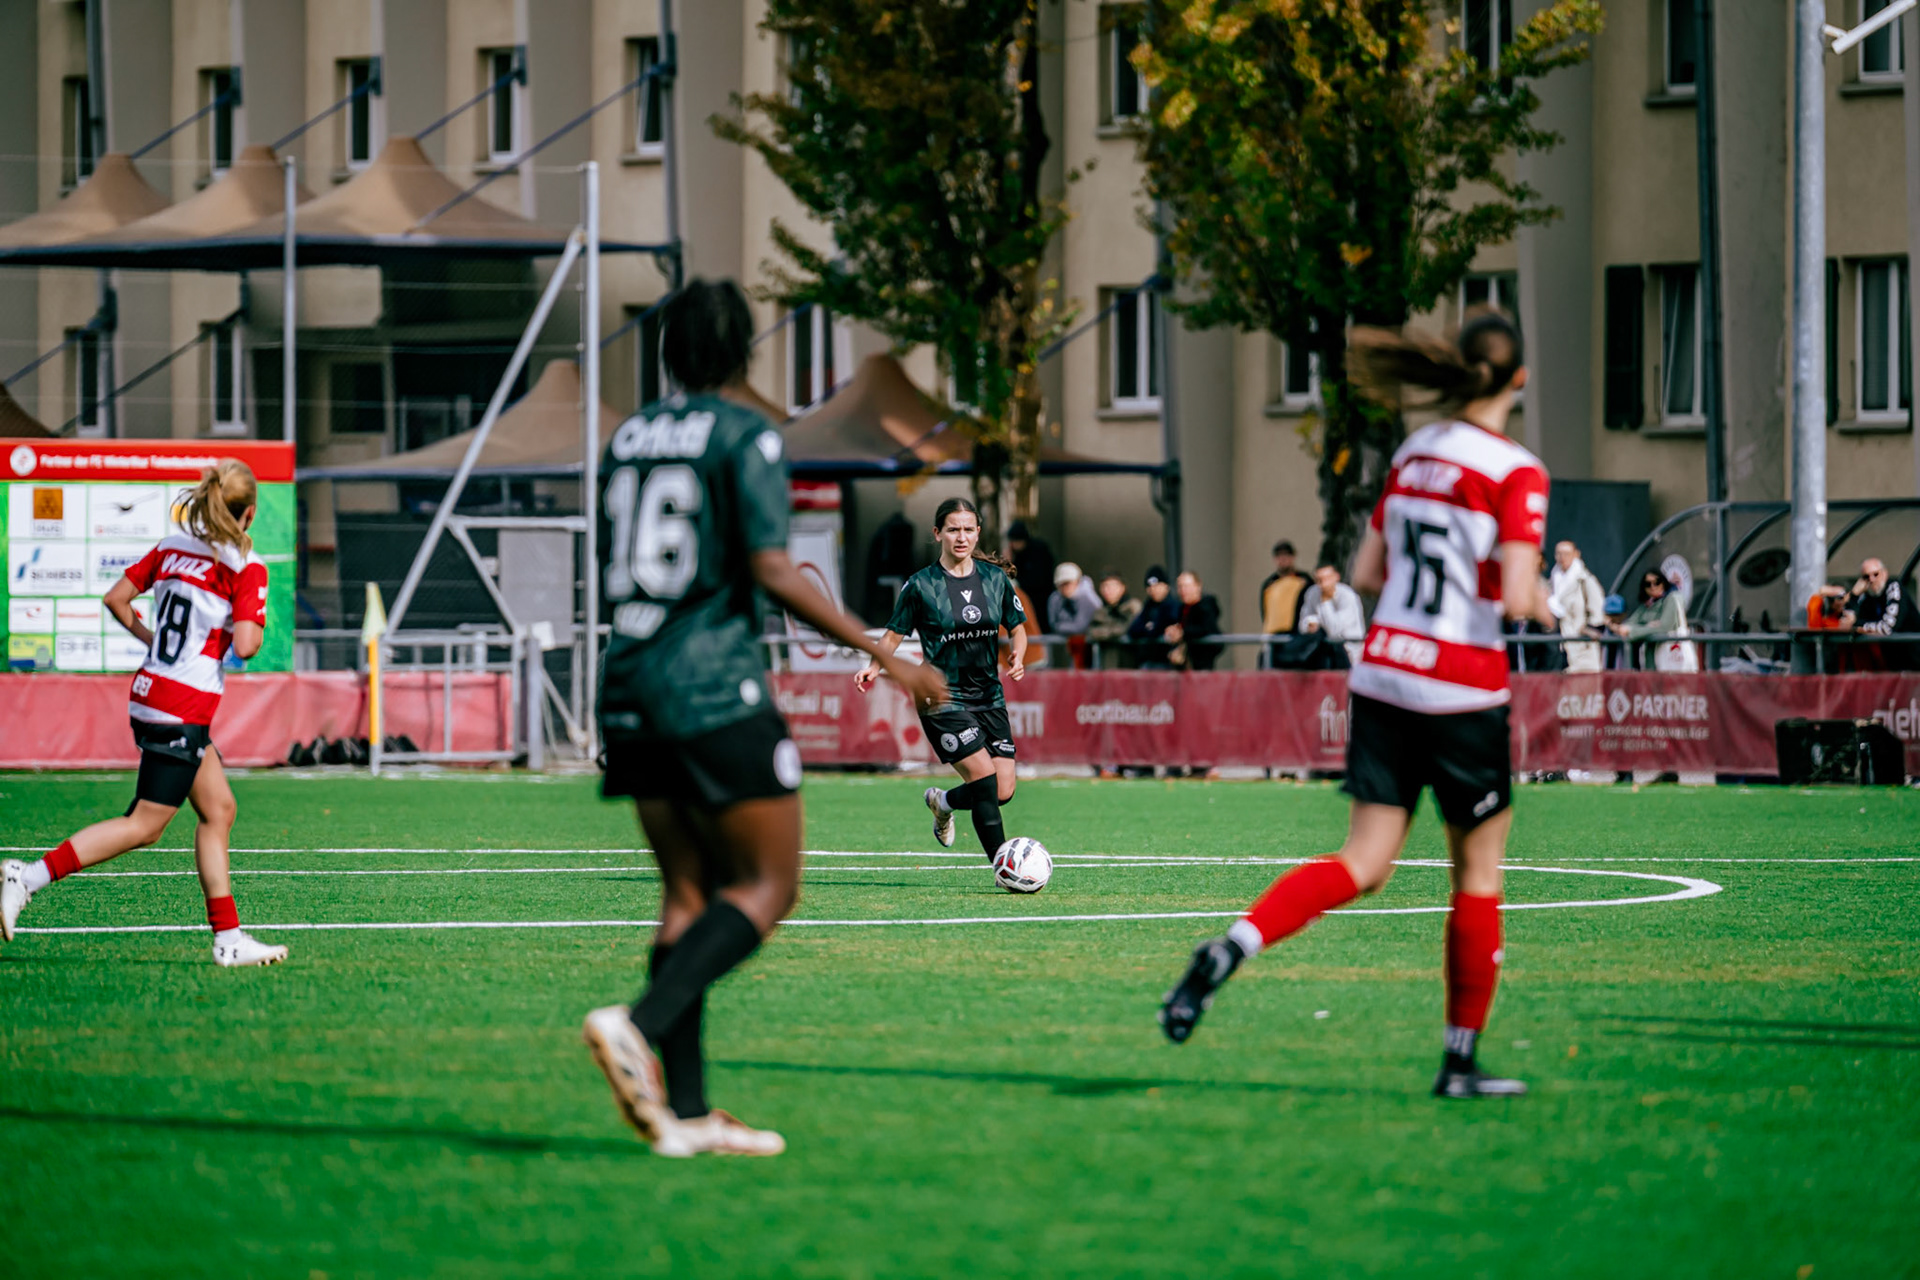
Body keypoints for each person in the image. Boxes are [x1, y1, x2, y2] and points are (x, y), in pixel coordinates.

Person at [582, 280, 945, 1159]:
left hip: (627, 677)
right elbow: (774, 571)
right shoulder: (748, 436)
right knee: (769, 886)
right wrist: (891, 656)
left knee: (687, 896)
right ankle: (636, 1023)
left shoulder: (626, 438)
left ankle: (690, 1114)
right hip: (709, 686)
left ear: (668, 349)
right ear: (746, 350)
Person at [1159, 309, 1554, 1100]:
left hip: (1383, 674)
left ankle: (1235, 945)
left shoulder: (1414, 453)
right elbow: (1514, 597)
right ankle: (1459, 1062)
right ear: (1518, 378)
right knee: (1477, 872)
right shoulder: (1516, 470)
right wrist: (1547, 601)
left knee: (1363, 861)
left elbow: (1368, 569)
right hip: (1460, 688)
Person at [1, 461, 287, 968]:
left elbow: (117, 599)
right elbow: (247, 643)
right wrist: (242, 628)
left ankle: (229, 938)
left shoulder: (175, 546)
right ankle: (25, 878)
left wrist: (154, 643)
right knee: (144, 825)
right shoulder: (247, 566)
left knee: (218, 809)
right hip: (182, 708)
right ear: (249, 514)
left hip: (152, 693)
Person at [855, 497, 1029, 865]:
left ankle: (943, 802)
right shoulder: (921, 585)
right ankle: (1004, 866)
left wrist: (1018, 652)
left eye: (968, 529)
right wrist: (874, 665)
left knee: (1003, 788)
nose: (961, 537)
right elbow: (892, 634)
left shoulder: (996, 580)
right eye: (953, 529)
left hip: (988, 695)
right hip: (941, 697)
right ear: (938, 534)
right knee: (983, 778)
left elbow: (1018, 628)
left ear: (978, 532)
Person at [1840, 557, 1919, 670]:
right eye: (1866, 577)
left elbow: (1887, 628)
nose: (1871, 579)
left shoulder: (1894, 588)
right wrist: (1854, 595)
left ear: (1885, 574)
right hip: (1891, 664)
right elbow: (1845, 624)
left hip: (1914, 659)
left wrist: (1857, 625)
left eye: (1876, 574)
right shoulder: (1867, 596)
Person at [1613, 570, 1692, 671]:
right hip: (1651, 661)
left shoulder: (1673, 597)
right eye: (1648, 584)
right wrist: (1649, 627)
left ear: (1663, 583)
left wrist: (1634, 631)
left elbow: (1665, 627)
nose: (1653, 587)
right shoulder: (1647, 604)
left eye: (1657, 582)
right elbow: (1629, 624)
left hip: (1672, 657)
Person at [1548, 540, 1607, 673]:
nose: (1562, 557)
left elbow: (1598, 611)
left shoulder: (1585, 580)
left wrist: (1587, 630)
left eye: (1566, 553)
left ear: (1576, 554)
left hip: (1582, 647)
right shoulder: (1553, 581)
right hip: (1559, 647)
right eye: (1559, 553)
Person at [1300, 564, 1366, 665]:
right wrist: (1309, 624)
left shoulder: (1347, 596)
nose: (1323, 584)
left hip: (1349, 652)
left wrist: (1325, 601)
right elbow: (1304, 620)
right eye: (1319, 580)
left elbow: (1334, 630)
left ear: (1336, 577)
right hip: (1323, 652)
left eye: (1327, 579)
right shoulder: (1312, 593)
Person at [1260, 540, 1312, 664]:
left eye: (1286, 555)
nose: (1282, 559)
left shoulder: (1304, 580)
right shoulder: (1269, 584)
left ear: (1293, 557)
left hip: (1298, 637)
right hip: (1274, 638)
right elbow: (1265, 612)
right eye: (1279, 556)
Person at [1047, 561, 1101, 668]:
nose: (1065, 588)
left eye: (1068, 583)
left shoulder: (1088, 598)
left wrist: (1061, 626)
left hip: (1088, 649)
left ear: (1077, 581)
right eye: (1061, 584)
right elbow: (1052, 623)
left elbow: (1080, 626)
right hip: (1067, 648)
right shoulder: (1055, 598)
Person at [1167, 570, 1224, 671]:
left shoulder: (1206, 607)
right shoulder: (1182, 609)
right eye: (1180, 587)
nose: (1183, 591)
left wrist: (1182, 634)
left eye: (1187, 586)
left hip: (1202, 665)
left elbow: (1206, 629)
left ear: (1198, 586)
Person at [1126, 565, 1182, 667]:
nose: (1154, 590)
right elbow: (1133, 630)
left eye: (1158, 586)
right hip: (1148, 660)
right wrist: (1150, 628)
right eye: (1150, 587)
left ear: (1166, 586)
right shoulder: (1148, 607)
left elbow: (1164, 625)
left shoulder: (1174, 606)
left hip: (1168, 662)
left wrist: (1151, 627)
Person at [1087, 570, 1142, 669]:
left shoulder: (1132, 607)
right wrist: (1113, 631)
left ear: (1122, 587)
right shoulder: (1100, 612)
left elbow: (1128, 628)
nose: (1108, 590)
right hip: (1108, 666)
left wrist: (1107, 631)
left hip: (1129, 664)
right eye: (1105, 586)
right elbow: (1092, 633)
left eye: (1113, 586)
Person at [1005, 520, 1056, 610]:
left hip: (1041, 596)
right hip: (1026, 596)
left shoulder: (1038, 550)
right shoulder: (1017, 554)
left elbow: (1039, 578)